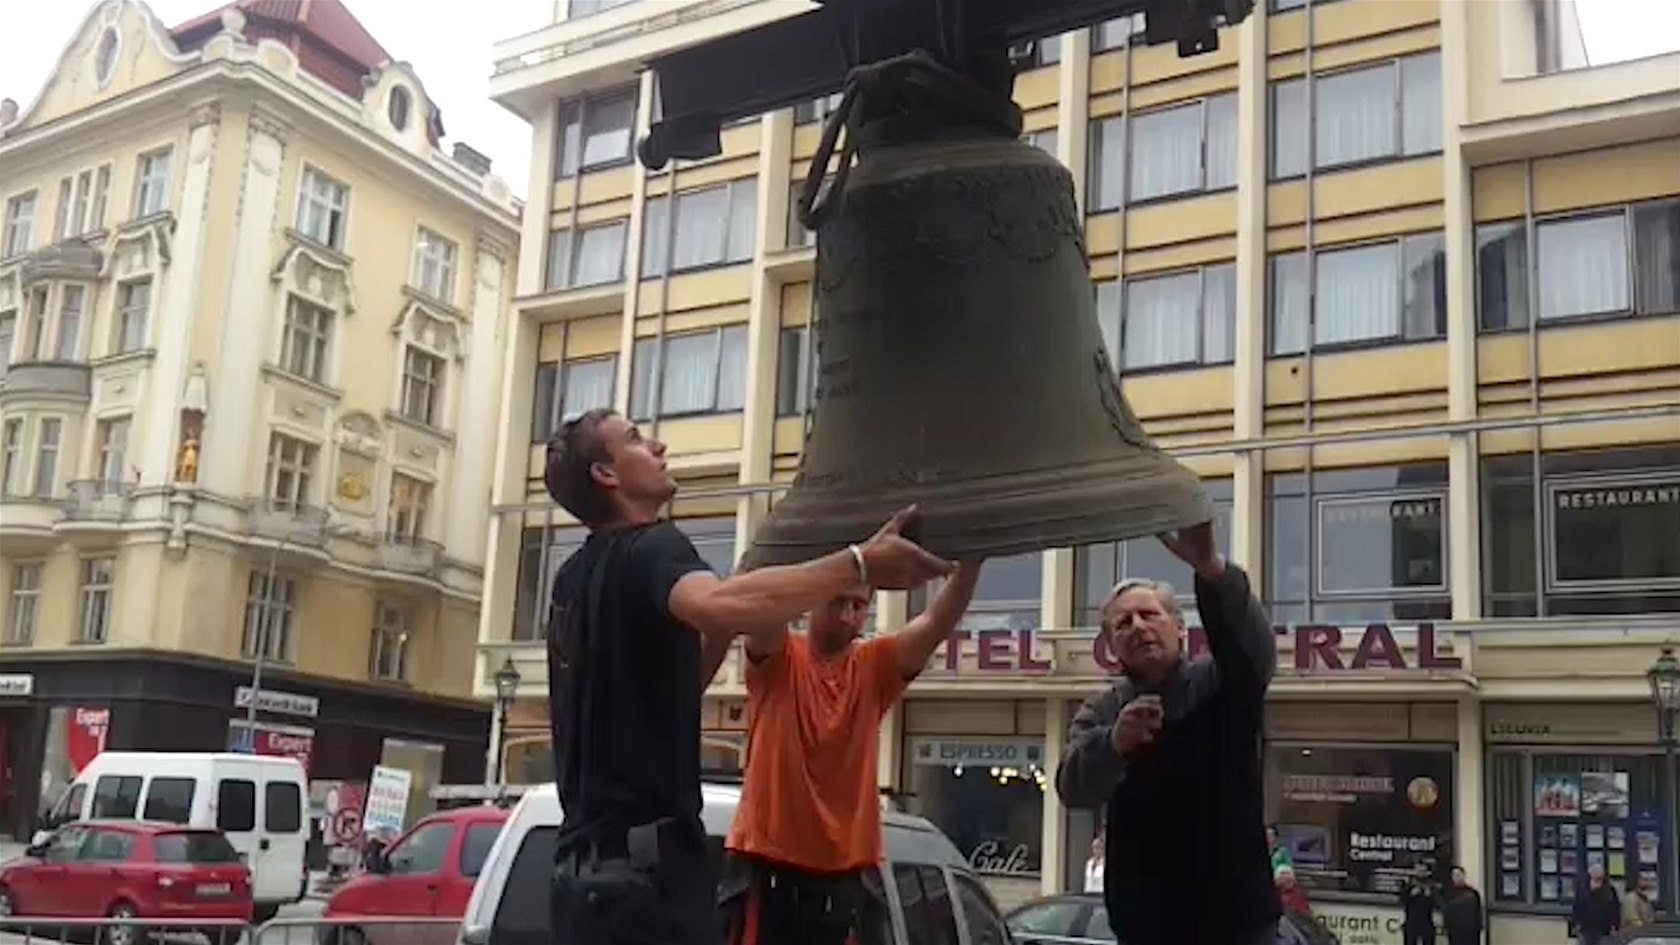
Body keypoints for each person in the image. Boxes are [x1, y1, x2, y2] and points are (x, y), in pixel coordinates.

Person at [542, 409, 954, 945]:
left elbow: (677, 687)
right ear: (607, 474)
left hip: (579, 886)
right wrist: (858, 564)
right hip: (645, 887)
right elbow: (718, 606)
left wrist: (794, 565)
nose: (659, 446)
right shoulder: (654, 547)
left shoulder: (572, 580)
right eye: (637, 439)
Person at [720, 560, 982, 945]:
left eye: (858, 605)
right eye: (837, 602)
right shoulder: (781, 657)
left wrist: (971, 565)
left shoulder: (874, 667)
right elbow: (766, 607)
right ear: (812, 601)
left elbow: (936, 623)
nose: (848, 616)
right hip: (767, 866)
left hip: (845, 877)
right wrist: (812, 560)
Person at [1055, 521, 1281, 945]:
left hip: (1239, 923)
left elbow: (1255, 653)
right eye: (1122, 624)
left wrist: (1210, 568)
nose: (1138, 627)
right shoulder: (1102, 710)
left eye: (1149, 615)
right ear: (1111, 647)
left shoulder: (1220, 682)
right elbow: (1071, 788)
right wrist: (1114, 745)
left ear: (1180, 628)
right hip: (1147, 926)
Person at [1569, 864, 1620, 945]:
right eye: (1595, 877)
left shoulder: (1610, 890)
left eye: (1599, 878)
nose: (1598, 880)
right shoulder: (1583, 889)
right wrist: (1576, 924)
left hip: (1604, 930)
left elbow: (1615, 909)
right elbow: (1577, 907)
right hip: (1586, 929)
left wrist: (1614, 926)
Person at [1440, 865, 1484, 945]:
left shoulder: (1473, 893)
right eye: (1454, 875)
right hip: (1455, 930)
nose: (1456, 877)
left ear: (1463, 875)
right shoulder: (1448, 893)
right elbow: (1446, 910)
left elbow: (1478, 911)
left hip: (1471, 931)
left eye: (1458, 875)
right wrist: (1446, 926)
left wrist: (1479, 927)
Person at [1398, 863, 1437, 945]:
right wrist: (1411, 895)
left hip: (1426, 922)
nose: (1420, 873)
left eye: (1423, 871)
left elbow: (1437, 904)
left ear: (1426, 872)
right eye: (1418, 870)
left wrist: (1429, 896)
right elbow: (1402, 899)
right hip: (1411, 921)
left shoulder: (1431, 884)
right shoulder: (1408, 883)